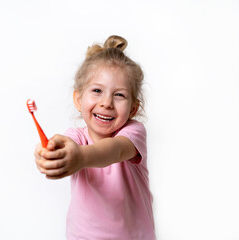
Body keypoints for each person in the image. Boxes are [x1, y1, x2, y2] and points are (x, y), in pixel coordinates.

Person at [34, 35, 156, 240]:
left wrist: (80, 157)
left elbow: (115, 150)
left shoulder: (133, 133)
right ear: (78, 99)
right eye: (97, 91)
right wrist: (47, 153)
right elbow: (63, 147)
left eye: (119, 95)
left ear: (133, 108)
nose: (106, 103)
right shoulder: (75, 138)